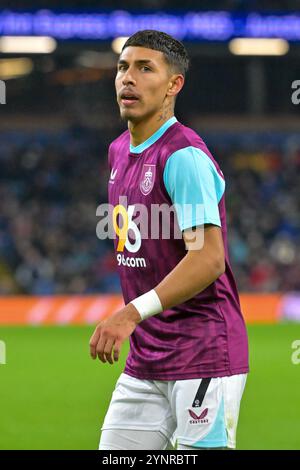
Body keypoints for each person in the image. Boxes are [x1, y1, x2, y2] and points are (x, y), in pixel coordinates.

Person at [90, 30, 249, 451]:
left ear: (174, 85)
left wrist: (129, 314)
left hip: (204, 353)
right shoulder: (118, 150)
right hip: (146, 358)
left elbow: (209, 258)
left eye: (145, 69)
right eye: (123, 67)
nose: (129, 78)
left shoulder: (184, 157)